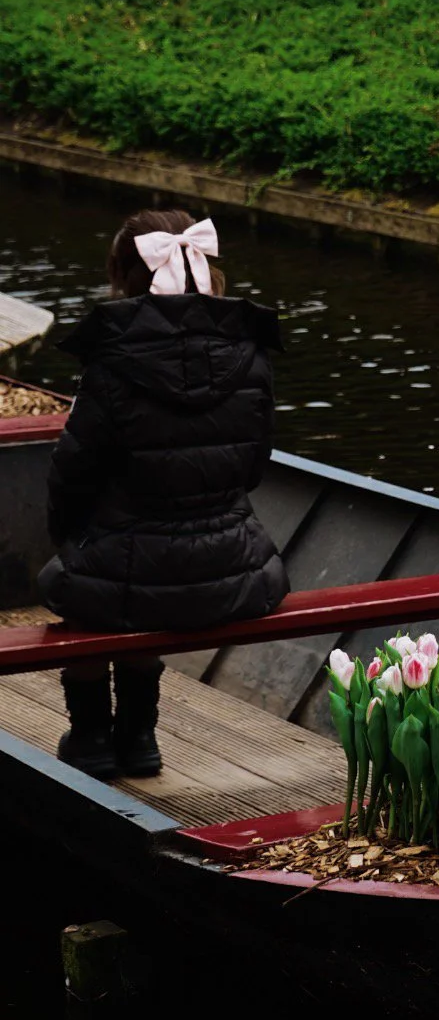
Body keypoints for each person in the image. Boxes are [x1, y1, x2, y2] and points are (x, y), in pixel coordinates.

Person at [39, 208, 289, 780]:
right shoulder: (251, 348)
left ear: (124, 276)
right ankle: (141, 737)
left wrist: (71, 537)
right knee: (126, 571)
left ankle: (92, 738)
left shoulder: (111, 358)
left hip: (134, 568)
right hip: (231, 565)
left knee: (92, 581)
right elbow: (253, 467)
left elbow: (72, 475)